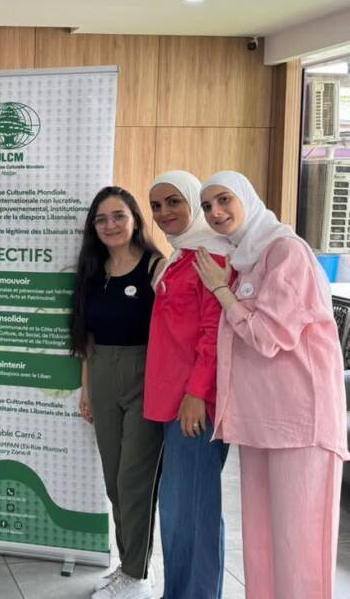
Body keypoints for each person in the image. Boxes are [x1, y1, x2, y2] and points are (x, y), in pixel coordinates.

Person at [194, 171, 349, 599]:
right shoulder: (244, 257)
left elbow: (267, 336)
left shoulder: (286, 252)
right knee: (261, 541)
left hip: (301, 421)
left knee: (301, 544)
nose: (215, 212)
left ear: (247, 198)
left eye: (224, 199)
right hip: (261, 420)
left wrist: (221, 292)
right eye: (207, 206)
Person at [70, 186, 164, 599]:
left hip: (147, 377)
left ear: (135, 219)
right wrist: (87, 389)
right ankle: (129, 565)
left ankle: (137, 575)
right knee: (113, 481)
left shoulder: (156, 267)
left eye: (118, 216)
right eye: (101, 219)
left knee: (134, 482)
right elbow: (86, 337)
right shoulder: (94, 270)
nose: (110, 225)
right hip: (102, 376)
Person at [144, 171, 233, 599]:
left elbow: (215, 332)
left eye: (174, 202)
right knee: (179, 510)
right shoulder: (181, 255)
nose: (164, 213)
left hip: (197, 404)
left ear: (194, 203)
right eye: (156, 206)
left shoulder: (212, 256)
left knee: (194, 511)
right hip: (173, 401)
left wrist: (197, 392)